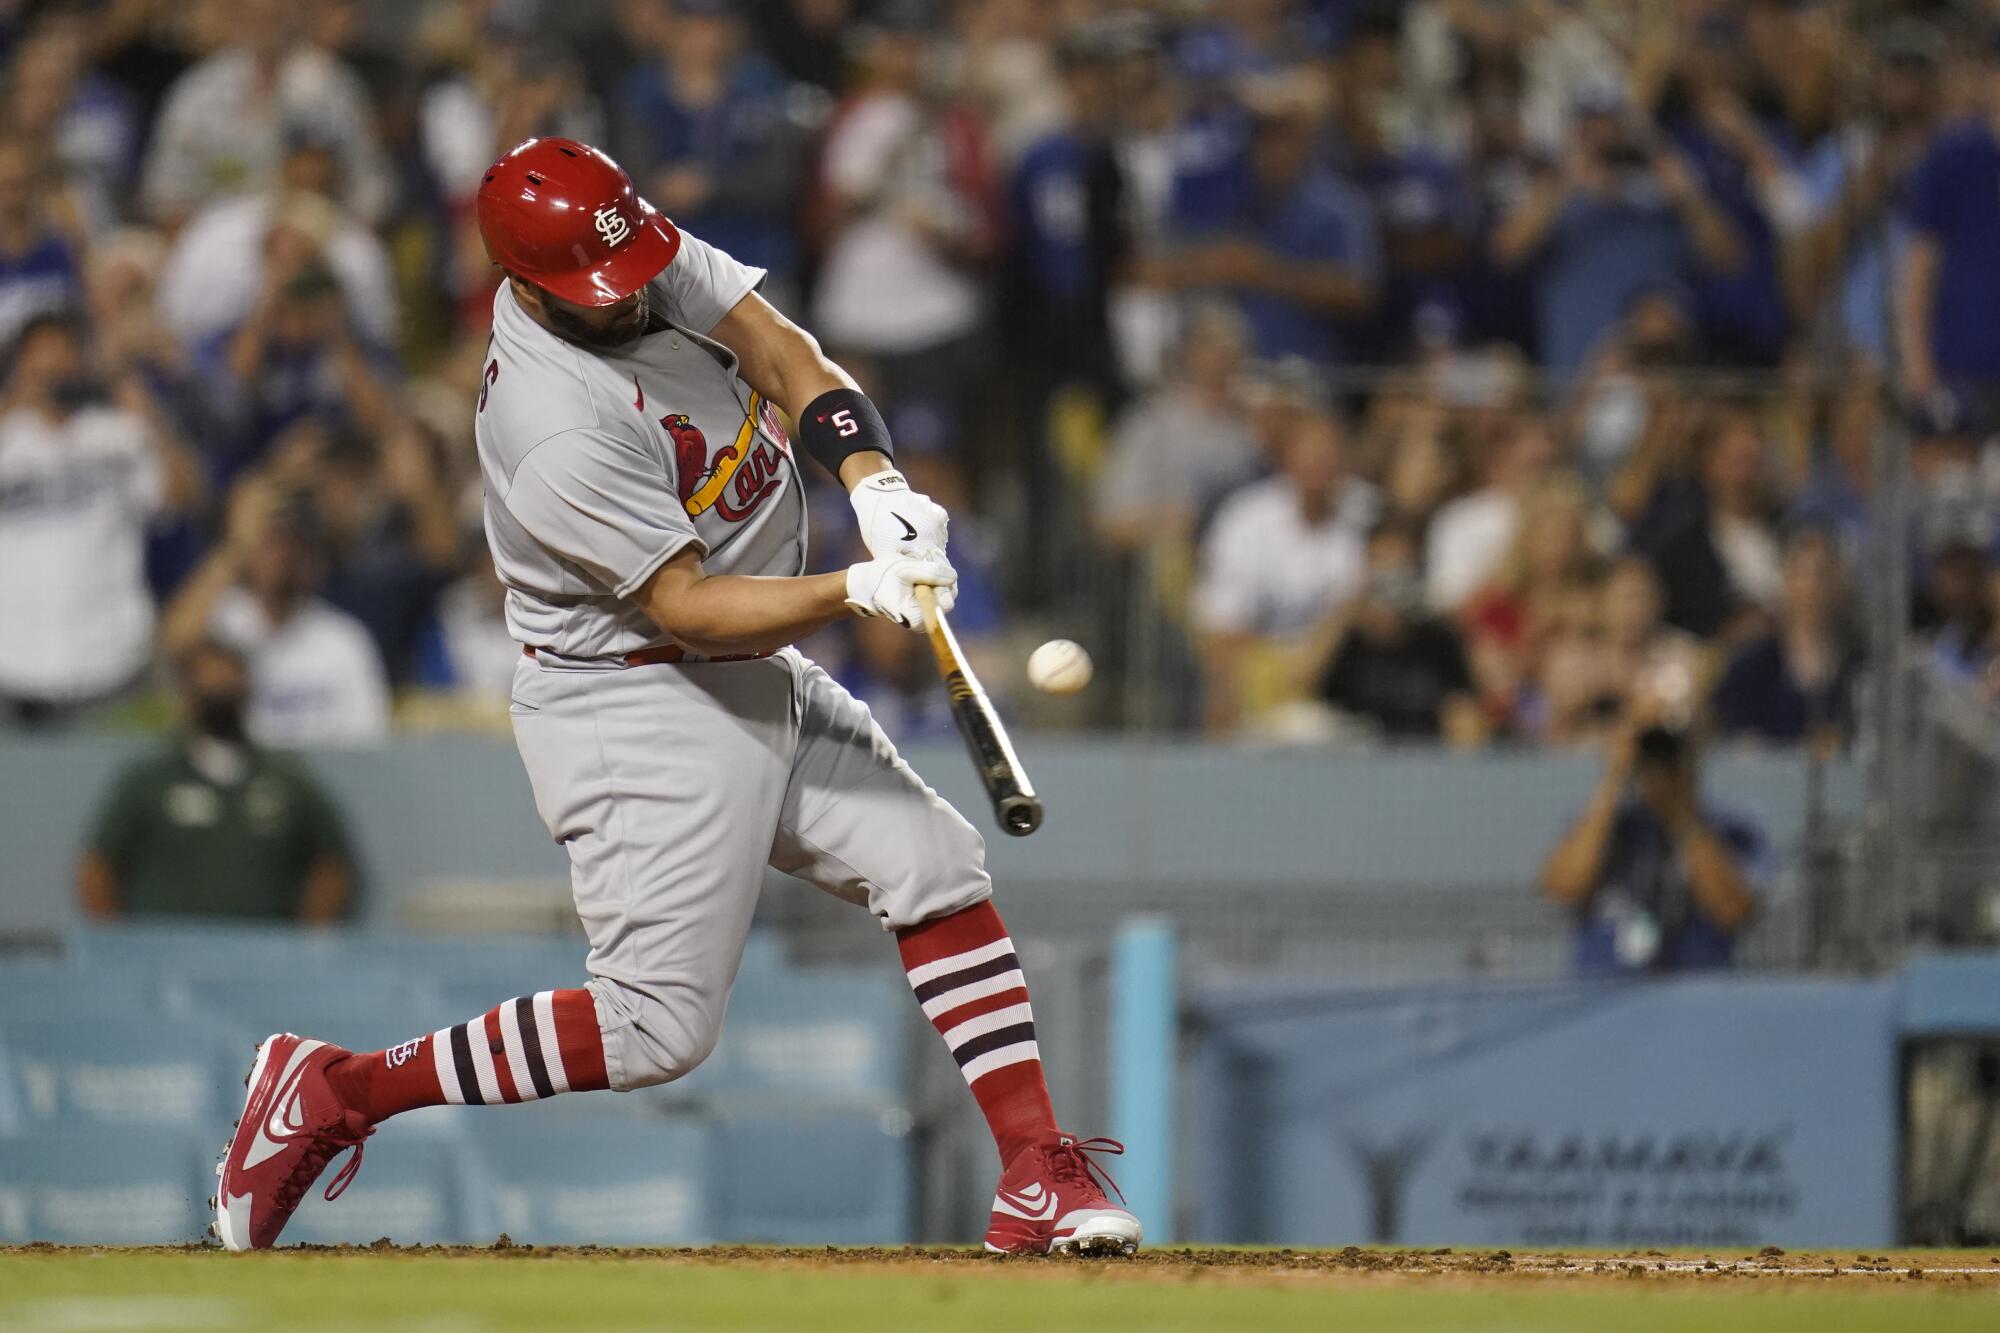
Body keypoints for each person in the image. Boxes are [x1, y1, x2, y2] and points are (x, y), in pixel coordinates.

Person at [212, 138, 1138, 1259]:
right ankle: (341, 1089)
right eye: (593, 290)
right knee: (652, 1031)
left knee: (933, 867)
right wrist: (853, 588)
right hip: (633, 703)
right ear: (522, 283)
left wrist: (874, 483)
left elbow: (783, 354)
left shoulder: (623, 248)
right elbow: (685, 605)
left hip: (747, 672)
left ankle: (1036, 1174)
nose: (627, 295)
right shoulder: (547, 421)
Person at [0, 309, 199, 726]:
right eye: (40, 357)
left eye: (63, 355)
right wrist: (16, 400)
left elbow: (182, 497)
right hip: (10, 664)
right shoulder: (8, 433)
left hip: (111, 661)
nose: (53, 369)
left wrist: (149, 417)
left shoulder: (119, 432)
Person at [77, 639, 357, 923]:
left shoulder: (287, 780)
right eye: (209, 690)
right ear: (186, 695)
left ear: (247, 691)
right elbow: (98, 867)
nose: (220, 697)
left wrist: (310, 942)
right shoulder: (149, 782)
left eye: (228, 688)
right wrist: (115, 944)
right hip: (166, 954)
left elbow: (330, 863)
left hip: (265, 953)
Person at [159, 477, 392, 747]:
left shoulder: (343, 639)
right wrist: (235, 547)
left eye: (297, 545)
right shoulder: (221, 622)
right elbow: (173, 646)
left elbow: (369, 741)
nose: (284, 556)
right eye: (272, 541)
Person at [1194, 410, 1378, 735]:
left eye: (1329, 454)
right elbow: (1222, 631)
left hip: (1338, 683)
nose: (1320, 465)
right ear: (1287, 457)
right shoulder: (1246, 521)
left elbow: (1370, 617)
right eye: (1310, 453)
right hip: (1259, 678)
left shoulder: (1363, 522)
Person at [1540, 716, 1762, 976]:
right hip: (1602, 990)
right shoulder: (1601, 825)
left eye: (1669, 757)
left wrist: (1682, 814)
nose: (1657, 768)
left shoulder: (1729, 828)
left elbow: (1733, 911)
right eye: (1647, 759)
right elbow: (1562, 889)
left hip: (1697, 994)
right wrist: (1613, 781)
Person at [1309, 518, 1483, 744]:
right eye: (1381, 565)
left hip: (1421, 760)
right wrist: (1347, 613)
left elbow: (1464, 711)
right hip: (1352, 760)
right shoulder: (1346, 636)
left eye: (1401, 566)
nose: (1391, 578)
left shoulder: (1438, 638)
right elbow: (1301, 685)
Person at [1713, 530, 1859, 747]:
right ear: (1785, 582)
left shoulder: (1860, 666)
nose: (1811, 589)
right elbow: (1741, 748)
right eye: (1801, 575)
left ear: (1838, 585)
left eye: (1822, 575)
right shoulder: (1750, 668)